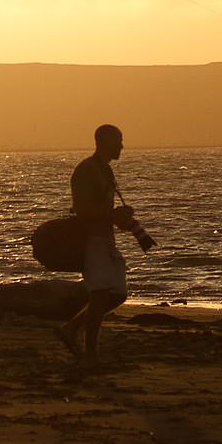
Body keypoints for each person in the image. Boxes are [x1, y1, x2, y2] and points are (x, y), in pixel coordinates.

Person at [56, 123, 136, 363]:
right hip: (92, 240)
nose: (122, 146)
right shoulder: (87, 170)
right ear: (104, 142)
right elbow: (82, 210)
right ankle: (91, 354)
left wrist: (120, 216)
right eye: (118, 141)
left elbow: (102, 210)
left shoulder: (105, 171)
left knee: (118, 293)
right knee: (100, 294)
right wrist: (112, 216)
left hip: (106, 238)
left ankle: (71, 329)